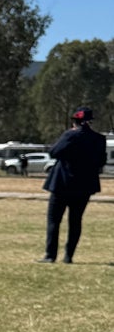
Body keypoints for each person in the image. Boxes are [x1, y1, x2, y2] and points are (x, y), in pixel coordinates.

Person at [42, 105, 104, 263]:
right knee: (75, 221)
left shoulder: (70, 135)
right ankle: (68, 256)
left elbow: (54, 152)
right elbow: (101, 162)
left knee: (54, 220)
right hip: (84, 187)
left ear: (76, 121)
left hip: (62, 184)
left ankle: (50, 255)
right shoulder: (99, 139)